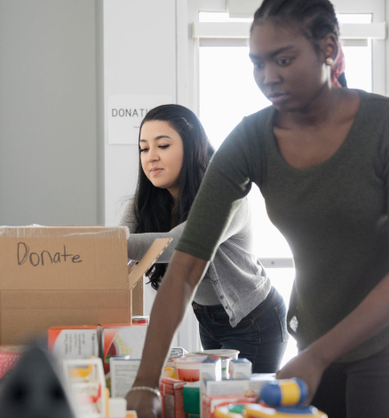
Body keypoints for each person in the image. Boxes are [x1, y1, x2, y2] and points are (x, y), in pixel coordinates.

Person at [125, 0, 389, 418]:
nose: (267, 76)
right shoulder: (251, 138)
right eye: (257, 62)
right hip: (317, 328)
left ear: (329, 50)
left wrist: (317, 357)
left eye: (283, 59)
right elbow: (188, 262)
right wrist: (146, 382)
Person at [120, 104, 288, 372]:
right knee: (214, 401)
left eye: (162, 146)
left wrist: (98, 246)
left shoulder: (226, 195)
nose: (151, 157)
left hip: (254, 320)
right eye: (144, 148)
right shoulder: (146, 201)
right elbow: (121, 237)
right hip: (208, 320)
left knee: (241, 403)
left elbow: (177, 245)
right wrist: (99, 245)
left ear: (192, 146)